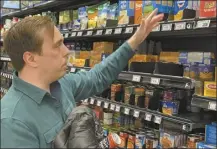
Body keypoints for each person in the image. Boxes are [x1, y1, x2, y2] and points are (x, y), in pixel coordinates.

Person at [1, 9, 163, 148]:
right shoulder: (12, 121)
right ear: (31, 59)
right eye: (57, 45)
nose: (67, 51)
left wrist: (135, 40)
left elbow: (97, 76)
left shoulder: (63, 84)